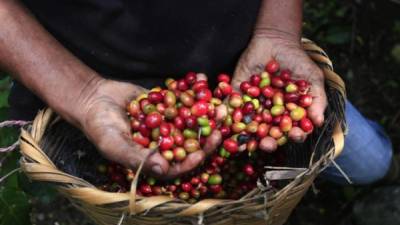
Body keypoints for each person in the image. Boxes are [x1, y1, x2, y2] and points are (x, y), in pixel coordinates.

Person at [0, 0, 393, 183]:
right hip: (97, 79)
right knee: (138, 190)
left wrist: (278, 29)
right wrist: (80, 93)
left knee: (370, 162)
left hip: (248, 52)